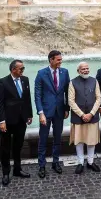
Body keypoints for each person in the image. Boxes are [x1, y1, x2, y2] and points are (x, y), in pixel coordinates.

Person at [0, 59, 33, 185]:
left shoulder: (25, 80)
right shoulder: (2, 82)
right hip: (7, 121)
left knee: (18, 146)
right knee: (5, 148)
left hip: (21, 119)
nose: (23, 70)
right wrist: (2, 121)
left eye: (23, 68)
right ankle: (5, 173)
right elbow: (0, 103)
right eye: (21, 69)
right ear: (13, 69)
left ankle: (17, 169)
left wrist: (29, 114)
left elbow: (27, 98)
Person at [34, 50, 70, 178]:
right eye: (58, 59)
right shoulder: (41, 73)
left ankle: (56, 162)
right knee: (42, 139)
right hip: (46, 112)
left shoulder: (65, 72)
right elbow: (37, 95)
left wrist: (67, 109)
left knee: (58, 138)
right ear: (51, 60)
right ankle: (42, 165)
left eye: (61, 59)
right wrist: (40, 113)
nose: (61, 61)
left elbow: (67, 92)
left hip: (60, 111)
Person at [68, 62, 101, 174]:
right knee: (79, 140)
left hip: (92, 116)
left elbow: (99, 98)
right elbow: (70, 101)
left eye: (87, 68)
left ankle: (91, 162)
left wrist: (91, 113)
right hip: (78, 117)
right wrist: (82, 114)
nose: (86, 70)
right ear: (78, 70)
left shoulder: (94, 81)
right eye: (83, 69)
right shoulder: (72, 82)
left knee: (91, 140)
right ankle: (80, 162)